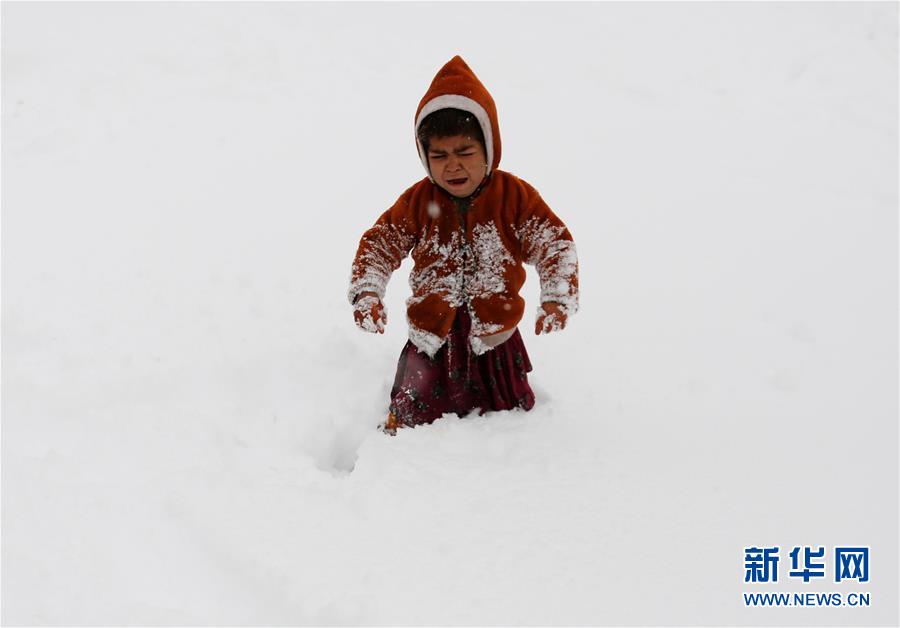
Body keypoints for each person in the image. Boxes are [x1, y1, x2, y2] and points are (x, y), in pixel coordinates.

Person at [348, 55, 579, 434]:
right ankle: (397, 441)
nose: (452, 166)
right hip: (432, 336)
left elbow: (553, 242)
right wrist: (367, 292)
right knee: (414, 411)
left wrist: (557, 294)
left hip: (494, 336)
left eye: (465, 153)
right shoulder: (419, 202)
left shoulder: (513, 197)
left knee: (506, 417)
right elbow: (380, 243)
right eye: (438, 156)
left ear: (489, 148)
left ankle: (513, 449)